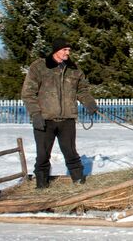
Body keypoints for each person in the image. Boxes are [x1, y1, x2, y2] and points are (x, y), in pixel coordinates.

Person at [21, 38, 98, 189]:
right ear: (56, 50)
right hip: (44, 119)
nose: (68, 53)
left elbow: (82, 90)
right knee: (43, 155)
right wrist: (35, 114)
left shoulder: (73, 69)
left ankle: (79, 183)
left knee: (71, 153)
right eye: (65, 50)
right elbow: (28, 93)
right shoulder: (39, 67)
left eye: (69, 50)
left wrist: (88, 102)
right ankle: (42, 186)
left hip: (67, 119)